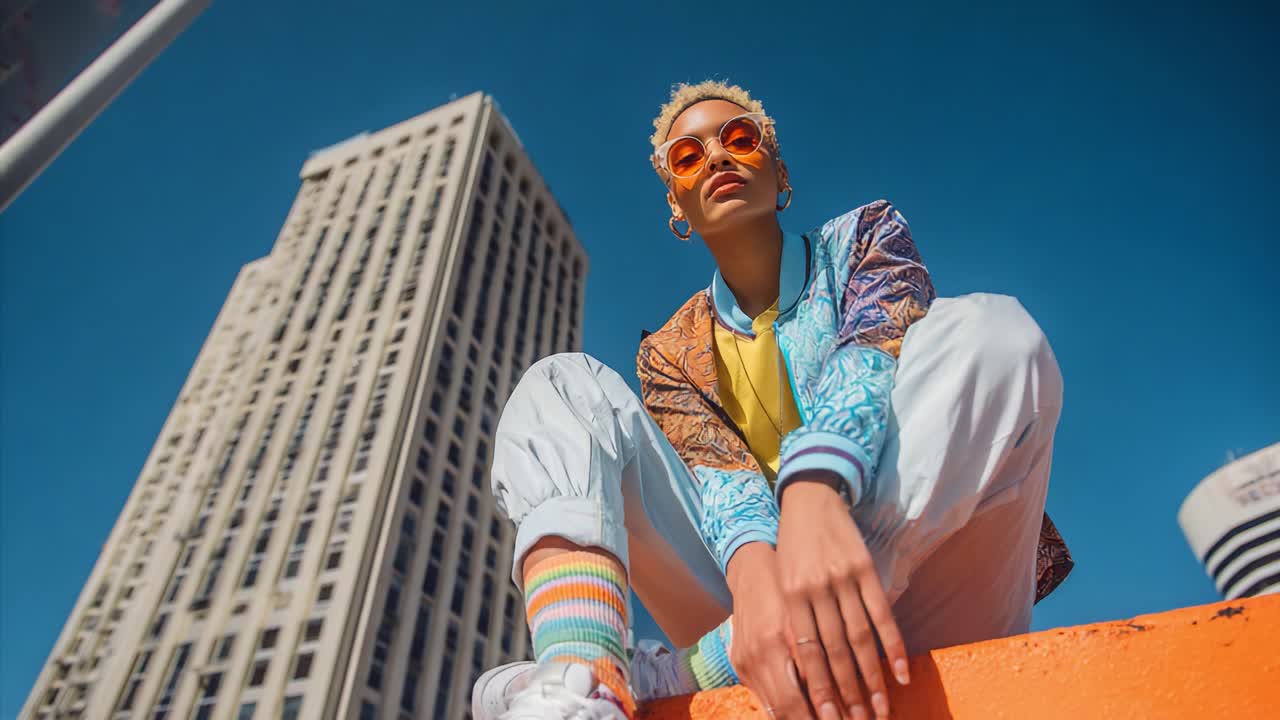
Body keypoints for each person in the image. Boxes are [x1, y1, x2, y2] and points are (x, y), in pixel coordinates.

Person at [471, 80, 1073, 720]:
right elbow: (723, 482)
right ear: (677, 203)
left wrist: (814, 488)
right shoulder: (669, 351)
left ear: (778, 170)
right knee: (561, 382)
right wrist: (761, 578)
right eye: (688, 156)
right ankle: (583, 682)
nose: (718, 159)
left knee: (992, 333)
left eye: (738, 139)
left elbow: (870, 356)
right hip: (751, 614)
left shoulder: (866, 236)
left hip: (925, 585)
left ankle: (683, 673)